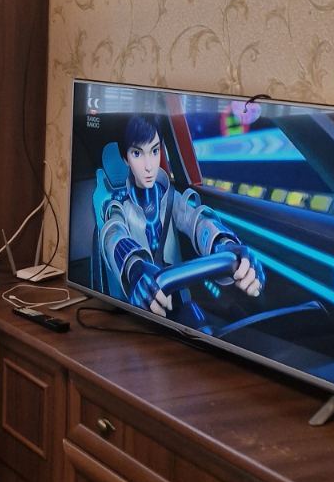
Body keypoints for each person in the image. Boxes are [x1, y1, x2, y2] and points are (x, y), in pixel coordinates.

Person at [91, 113, 264, 330]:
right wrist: (135, 268)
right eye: (137, 153)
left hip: (180, 305)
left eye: (154, 151)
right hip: (139, 313)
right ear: (125, 158)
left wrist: (225, 243)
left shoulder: (171, 198)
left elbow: (196, 220)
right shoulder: (118, 206)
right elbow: (113, 235)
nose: (148, 166)